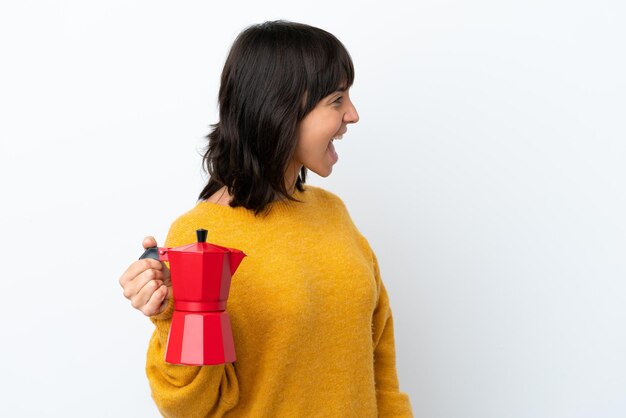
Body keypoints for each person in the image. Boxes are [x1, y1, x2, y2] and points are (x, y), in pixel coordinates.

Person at [118, 20, 414, 417]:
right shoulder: (198, 236)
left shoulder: (334, 214)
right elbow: (190, 406)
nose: (353, 114)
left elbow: (380, 365)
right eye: (337, 99)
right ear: (282, 108)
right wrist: (172, 315)